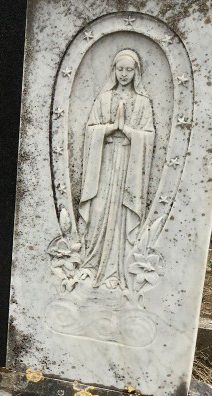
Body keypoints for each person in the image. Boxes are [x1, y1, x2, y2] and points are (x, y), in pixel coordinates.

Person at [78, 49, 155, 290]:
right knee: (99, 209)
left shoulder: (142, 102)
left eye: (129, 70)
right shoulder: (103, 99)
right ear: (114, 70)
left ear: (136, 72)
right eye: (120, 69)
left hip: (128, 166)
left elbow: (148, 135)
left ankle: (114, 270)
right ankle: (91, 264)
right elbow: (90, 129)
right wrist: (110, 128)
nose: (124, 74)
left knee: (120, 212)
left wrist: (129, 132)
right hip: (104, 162)